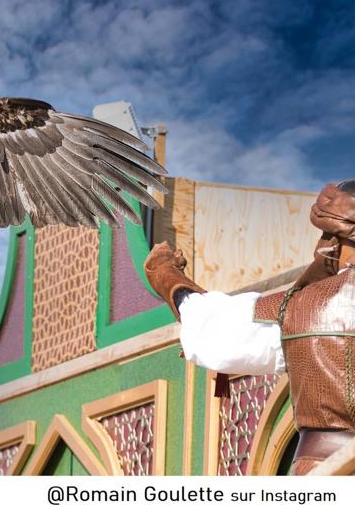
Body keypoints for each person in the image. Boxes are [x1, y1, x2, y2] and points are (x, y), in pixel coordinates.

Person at [144, 180, 355, 476]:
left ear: (336, 240)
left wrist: (166, 274)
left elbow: (212, 333)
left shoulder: (297, 308)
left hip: (326, 475)